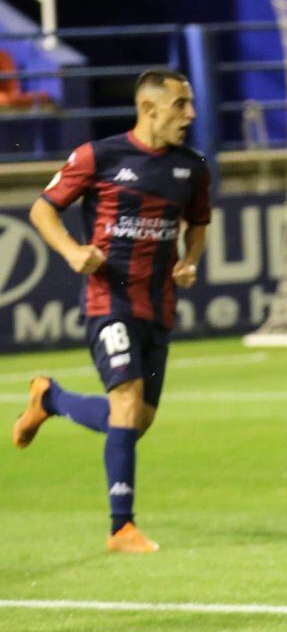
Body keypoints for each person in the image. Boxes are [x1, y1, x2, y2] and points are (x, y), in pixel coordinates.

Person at [12, 69, 211, 553]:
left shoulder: (191, 167)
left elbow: (199, 223)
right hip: (110, 302)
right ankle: (121, 527)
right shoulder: (98, 156)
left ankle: (51, 399)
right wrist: (71, 252)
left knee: (137, 418)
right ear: (149, 109)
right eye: (181, 104)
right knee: (124, 403)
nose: (190, 114)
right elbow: (43, 208)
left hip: (159, 305)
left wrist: (189, 259)